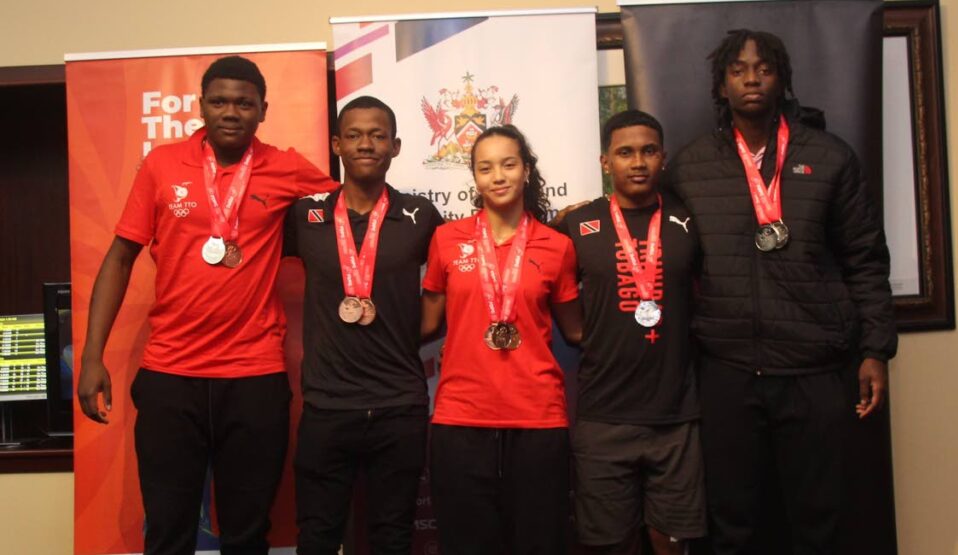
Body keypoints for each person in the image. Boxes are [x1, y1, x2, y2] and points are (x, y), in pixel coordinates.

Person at [77, 56, 336, 555]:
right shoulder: (160, 165)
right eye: (219, 101)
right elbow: (119, 258)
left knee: (247, 535)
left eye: (244, 103)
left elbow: (349, 220)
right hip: (172, 375)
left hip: (255, 377)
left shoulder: (286, 167)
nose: (231, 112)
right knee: (168, 532)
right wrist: (92, 358)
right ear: (201, 107)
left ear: (263, 110)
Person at [667, 30, 898, 554]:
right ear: (720, 85)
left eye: (764, 68)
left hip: (813, 369)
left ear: (783, 78)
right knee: (732, 521)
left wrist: (875, 350)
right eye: (739, 70)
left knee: (820, 519)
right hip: (727, 369)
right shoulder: (690, 166)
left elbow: (866, 258)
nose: (751, 78)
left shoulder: (830, 157)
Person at [284, 95, 442, 555]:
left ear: (395, 146)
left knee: (392, 538)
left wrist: (407, 333)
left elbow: (457, 279)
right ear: (337, 144)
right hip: (327, 406)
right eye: (353, 135)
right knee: (317, 537)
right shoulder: (305, 215)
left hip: (398, 405)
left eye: (377, 135)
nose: (366, 144)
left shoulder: (420, 216)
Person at [420, 125, 582, 555]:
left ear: (526, 170)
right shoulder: (446, 240)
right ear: (474, 177)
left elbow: (577, 330)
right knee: (466, 544)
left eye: (508, 164)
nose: (498, 176)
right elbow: (428, 322)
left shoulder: (558, 247)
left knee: (538, 542)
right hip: (461, 417)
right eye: (485, 167)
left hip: (537, 418)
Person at [557, 109, 705, 554]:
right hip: (603, 415)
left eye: (648, 151)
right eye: (625, 153)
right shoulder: (575, 225)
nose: (637, 162)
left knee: (670, 540)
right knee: (610, 544)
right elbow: (559, 304)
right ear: (606, 162)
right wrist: (591, 335)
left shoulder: (690, 222)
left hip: (676, 415)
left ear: (663, 157)